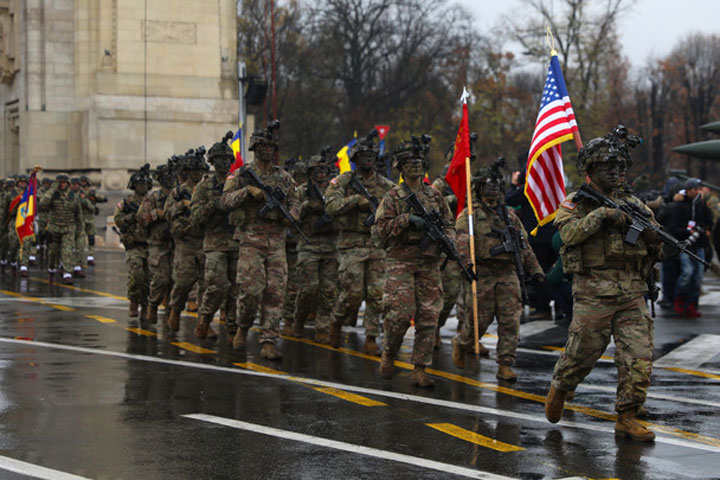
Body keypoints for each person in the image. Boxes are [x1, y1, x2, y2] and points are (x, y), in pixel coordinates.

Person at [544, 126, 661, 442]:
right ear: (590, 170)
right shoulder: (576, 203)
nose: (614, 172)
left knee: (638, 358)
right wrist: (602, 216)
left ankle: (627, 416)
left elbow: (657, 244)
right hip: (594, 292)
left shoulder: (635, 204)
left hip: (631, 291)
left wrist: (653, 238)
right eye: (606, 166)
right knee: (582, 354)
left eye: (618, 166)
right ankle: (562, 385)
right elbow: (566, 236)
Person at [373, 136, 454, 387]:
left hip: (429, 263)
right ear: (400, 167)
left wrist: (447, 241)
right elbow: (378, 233)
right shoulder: (393, 197)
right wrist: (405, 220)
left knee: (429, 317)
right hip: (401, 262)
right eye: (409, 162)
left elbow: (449, 224)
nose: (416, 166)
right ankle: (389, 352)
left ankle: (420, 368)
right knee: (399, 315)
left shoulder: (435, 196)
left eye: (418, 161)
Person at [451, 166, 543, 380]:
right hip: (482, 272)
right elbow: (461, 242)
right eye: (488, 186)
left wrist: (535, 269)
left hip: (507, 272)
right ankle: (462, 342)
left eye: (496, 186)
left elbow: (524, 245)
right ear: (479, 188)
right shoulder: (470, 216)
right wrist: (466, 265)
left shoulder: (510, 216)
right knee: (480, 321)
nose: (492, 190)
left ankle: (505, 363)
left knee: (510, 320)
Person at [220, 120, 300, 360]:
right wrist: (248, 192)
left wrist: (292, 217)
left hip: (276, 242)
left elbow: (295, 203)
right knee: (251, 291)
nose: (268, 150)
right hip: (251, 241)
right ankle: (243, 327)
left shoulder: (284, 177)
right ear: (255, 147)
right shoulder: (242, 175)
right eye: (263, 146)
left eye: (271, 146)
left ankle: (268, 340)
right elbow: (223, 201)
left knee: (276, 292)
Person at [326, 131, 395, 354]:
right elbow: (331, 206)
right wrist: (356, 201)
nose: (368, 159)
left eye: (371, 156)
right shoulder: (344, 181)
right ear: (355, 159)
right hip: (351, 244)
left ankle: (371, 337)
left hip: (376, 244)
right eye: (363, 155)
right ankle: (336, 320)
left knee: (377, 294)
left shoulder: (386, 186)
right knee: (353, 293)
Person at [190, 132, 238, 340]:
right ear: (212, 162)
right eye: (220, 159)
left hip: (236, 241)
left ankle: (233, 327)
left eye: (228, 159)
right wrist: (213, 205)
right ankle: (205, 320)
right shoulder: (203, 187)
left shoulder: (237, 183)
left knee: (238, 289)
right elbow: (195, 217)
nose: (225, 163)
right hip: (214, 243)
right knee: (217, 286)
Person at [292, 154, 339, 343]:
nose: (321, 174)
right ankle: (299, 319)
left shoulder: (333, 190)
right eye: (317, 170)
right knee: (308, 289)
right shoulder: (302, 191)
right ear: (310, 172)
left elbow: (341, 209)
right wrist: (307, 207)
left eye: (324, 170)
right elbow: (293, 215)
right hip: (308, 245)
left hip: (330, 246)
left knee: (329, 291)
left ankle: (323, 326)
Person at [165, 149, 207, 332]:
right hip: (186, 242)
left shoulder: (208, 188)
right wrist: (180, 205)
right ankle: (175, 310)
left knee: (207, 284)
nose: (197, 173)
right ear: (187, 172)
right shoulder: (178, 192)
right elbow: (166, 214)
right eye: (193, 170)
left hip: (206, 241)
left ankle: (203, 322)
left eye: (200, 170)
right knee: (183, 282)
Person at [665, 177, 713, 318]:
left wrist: (706, 229)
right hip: (685, 244)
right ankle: (679, 299)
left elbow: (708, 221)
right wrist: (688, 232)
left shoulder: (702, 205)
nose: (697, 192)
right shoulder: (679, 206)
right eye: (694, 189)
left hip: (699, 244)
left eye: (698, 189)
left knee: (697, 276)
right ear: (688, 190)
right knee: (687, 273)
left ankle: (692, 303)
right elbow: (674, 227)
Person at [137, 162, 175, 324]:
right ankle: (152, 304)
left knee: (176, 280)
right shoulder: (152, 198)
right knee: (160, 279)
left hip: (176, 243)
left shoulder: (179, 195)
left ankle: (171, 311)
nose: (170, 179)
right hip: (157, 244)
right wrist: (155, 214)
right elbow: (141, 218)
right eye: (166, 176)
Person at [113, 165, 151, 317]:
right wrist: (131, 217)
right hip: (134, 244)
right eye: (139, 184)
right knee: (136, 275)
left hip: (151, 244)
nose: (142, 187)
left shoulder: (153, 200)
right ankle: (134, 300)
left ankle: (146, 304)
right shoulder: (126, 203)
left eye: (145, 184)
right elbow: (118, 219)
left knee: (149, 279)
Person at [40, 175, 84, 284]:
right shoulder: (52, 195)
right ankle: (51, 269)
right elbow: (43, 204)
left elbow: (78, 215)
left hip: (68, 228)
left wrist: (80, 230)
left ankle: (67, 274)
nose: (62, 184)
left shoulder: (73, 196)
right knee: (52, 252)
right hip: (54, 228)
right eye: (60, 182)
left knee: (67, 251)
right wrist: (52, 189)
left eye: (64, 182)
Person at [79, 175, 108, 266]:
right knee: (80, 238)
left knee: (91, 237)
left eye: (85, 182)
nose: (83, 183)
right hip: (80, 217)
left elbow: (103, 199)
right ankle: (79, 257)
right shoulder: (77, 192)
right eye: (82, 182)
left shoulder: (92, 192)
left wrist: (95, 197)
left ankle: (90, 256)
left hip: (90, 218)